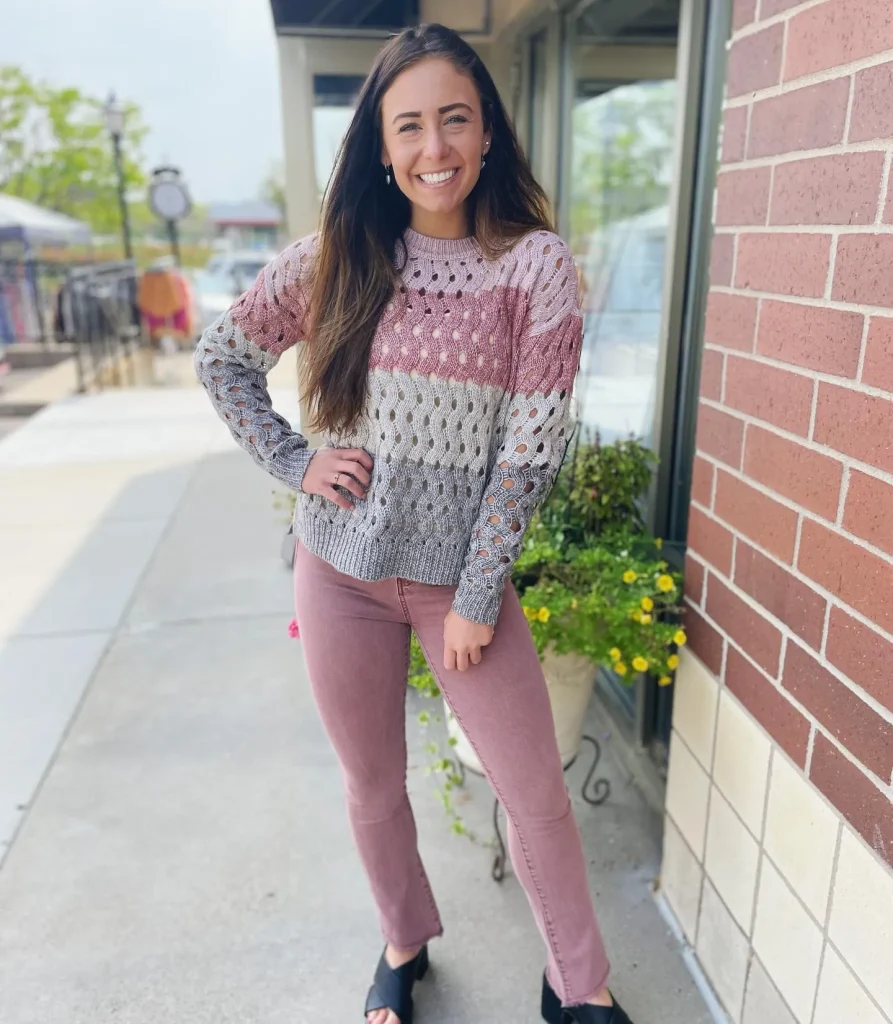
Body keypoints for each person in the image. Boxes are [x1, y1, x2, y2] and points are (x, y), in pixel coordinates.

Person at [195, 23, 633, 1024]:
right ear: (382, 148)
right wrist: (296, 462)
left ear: (487, 134)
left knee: (534, 794)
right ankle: (402, 944)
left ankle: (578, 985)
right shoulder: (333, 259)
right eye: (409, 127)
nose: (434, 147)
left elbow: (530, 448)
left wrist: (476, 594)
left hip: (459, 589)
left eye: (454, 120)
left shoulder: (533, 267)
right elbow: (222, 358)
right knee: (371, 785)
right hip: (338, 572)